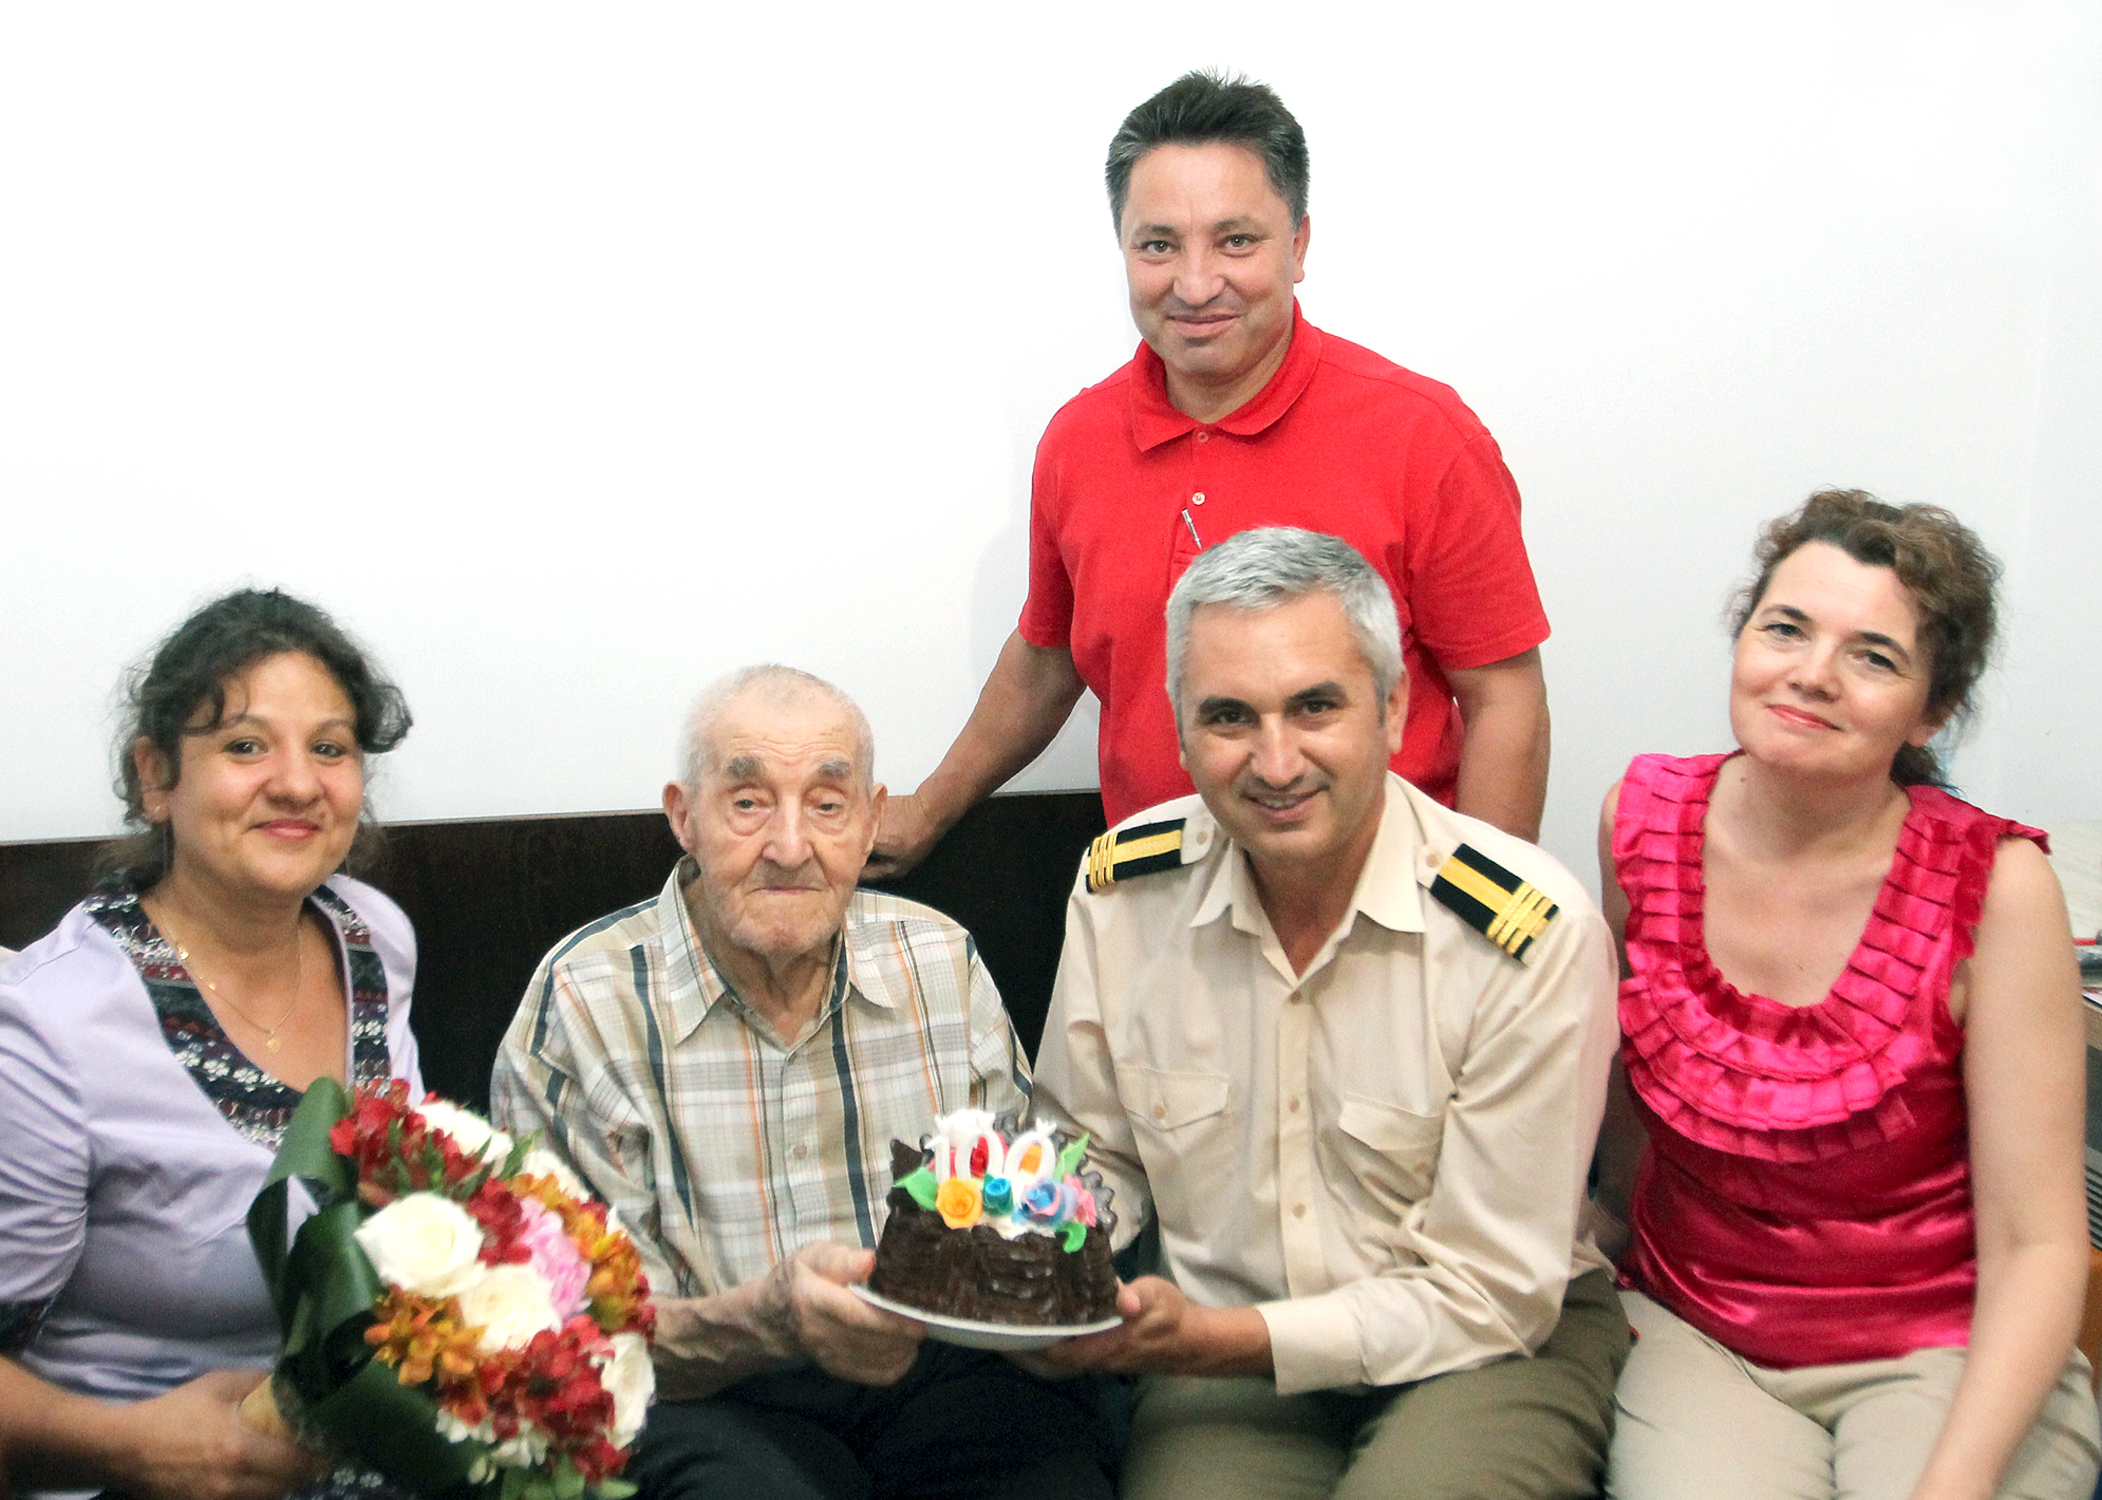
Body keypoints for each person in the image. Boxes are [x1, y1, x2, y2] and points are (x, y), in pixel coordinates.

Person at [1030, 527, 1626, 1500]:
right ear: (1178, 726)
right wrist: (1038, 1270)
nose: (1274, 762)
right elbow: (1088, 1155)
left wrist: (1212, 1338)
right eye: (1227, 717)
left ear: (1391, 709)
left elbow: (1490, 1290)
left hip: (1486, 1348)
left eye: (1314, 707)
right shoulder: (1121, 893)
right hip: (1227, 1350)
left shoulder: (1524, 928)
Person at [870, 70, 1551, 880]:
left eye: (1236, 241)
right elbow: (1049, 659)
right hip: (1157, 915)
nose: (1194, 286)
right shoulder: (1077, 441)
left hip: (1382, 921)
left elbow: (1504, 698)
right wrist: (927, 810)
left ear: (1298, 246)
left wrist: (1474, 925)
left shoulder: (1422, 435)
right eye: (1158, 245)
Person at [490, 665, 1119, 1500]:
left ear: (868, 822)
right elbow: (569, 1328)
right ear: (685, 816)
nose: (790, 847)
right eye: (748, 803)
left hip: (942, 1374)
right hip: (707, 1392)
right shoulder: (586, 998)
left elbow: (1017, 1210)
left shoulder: (937, 960)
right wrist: (767, 1319)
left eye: (827, 805)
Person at [1597, 491, 2101, 1500]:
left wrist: (1948, 1485)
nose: (1811, 675)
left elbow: (2040, 1242)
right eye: (1783, 629)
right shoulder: (1637, 816)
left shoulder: (1995, 890)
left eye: (1871, 655)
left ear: (1931, 710)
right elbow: (1619, 1112)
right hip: (1703, 1335)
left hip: (1949, 1349)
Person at [0, 589, 422, 1500]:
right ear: (156, 776)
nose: (298, 783)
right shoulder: (50, 1024)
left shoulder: (373, 939)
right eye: (243, 745)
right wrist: (126, 1447)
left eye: (330, 747)